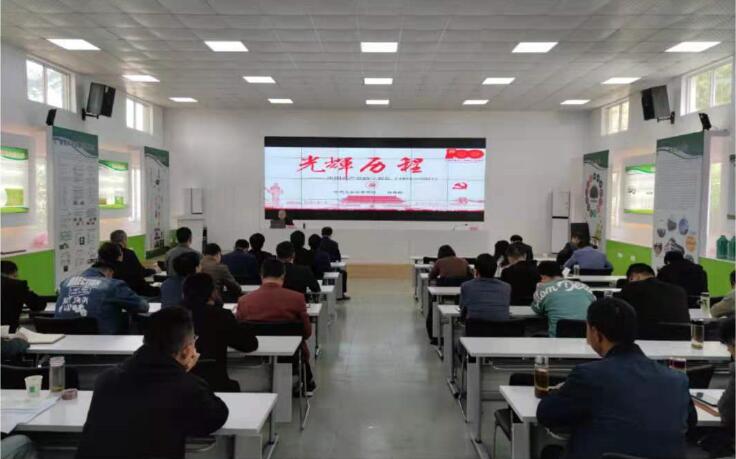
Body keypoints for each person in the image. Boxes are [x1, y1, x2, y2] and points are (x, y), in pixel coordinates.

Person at [537, 298, 696, 459]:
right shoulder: (677, 380)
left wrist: (559, 391)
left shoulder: (588, 375)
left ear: (596, 334)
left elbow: (546, 415)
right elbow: (690, 422)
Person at [75, 307, 229, 459]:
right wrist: (183, 373)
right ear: (187, 351)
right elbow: (217, 416)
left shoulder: (106, 379)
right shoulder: (188, 389)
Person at [235, 258, 316, 393]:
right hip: (291, 356)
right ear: (283, 275)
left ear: (261, 275)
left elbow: (238, 330)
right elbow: (307, 332)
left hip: (254, 355)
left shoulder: (244, 301)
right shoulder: (297, 298)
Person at [181, 273, 258, 392]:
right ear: (212, 293)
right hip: (214, 385)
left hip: (177, 385)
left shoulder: (170, 317)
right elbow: (249, 344)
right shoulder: (221, 316)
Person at [55, 261, 148, 334]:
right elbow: (142, 306)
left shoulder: (66, 283)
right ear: (109, 271)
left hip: (63, 340)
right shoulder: (112, 285)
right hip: (101, 340)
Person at [620, 263, 689, 339]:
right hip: (680, 339)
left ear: (635, 276)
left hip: (643, 338)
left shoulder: (630, 288)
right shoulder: (679, 290)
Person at [531, 261, 595, 337]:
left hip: (557, 339)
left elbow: (537, 310)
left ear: (543, 277)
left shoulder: (542, 288)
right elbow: (594, 306)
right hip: (587, 338)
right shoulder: (584, 287)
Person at [459, 253, 511, 322]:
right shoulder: (506, 287)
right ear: (495, 269)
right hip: (500, 327)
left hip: (475, 327)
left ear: (476, 270)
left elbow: (462, 307)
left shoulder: (466, 286)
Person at [109, 229, 158, 296]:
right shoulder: (129, 253)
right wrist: (154, 270)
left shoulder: (107, 255)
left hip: (116, 292)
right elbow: (140, 272)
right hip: (133, 291)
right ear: (124, 240)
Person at [1, 260, 45, 333]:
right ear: (13, 273)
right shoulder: (17, 285)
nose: (16, 278)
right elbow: (38, 305)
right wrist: (30, 291)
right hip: (8, 334)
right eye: (15, 276)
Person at [320, 227, 349, 299]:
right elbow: (338, 258)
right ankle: (341, 294)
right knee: (343, 273)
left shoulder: (318, 243)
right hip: (330, 268)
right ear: (330, 234)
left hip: (319, 268)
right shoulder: (334, 244)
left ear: (322, 233)